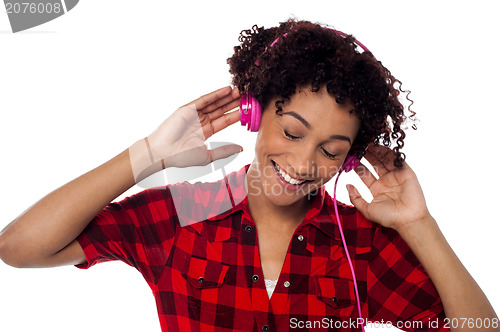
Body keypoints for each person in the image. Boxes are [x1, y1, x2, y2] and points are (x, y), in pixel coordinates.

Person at [0, 18, 498, 332]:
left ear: (349, 159)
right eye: (291, 130)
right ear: (254, 114)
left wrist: (418, 223)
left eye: (331, 150)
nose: (304, 165)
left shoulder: (360, 244)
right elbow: (19, 248)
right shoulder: (181, 216)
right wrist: (145, 155)